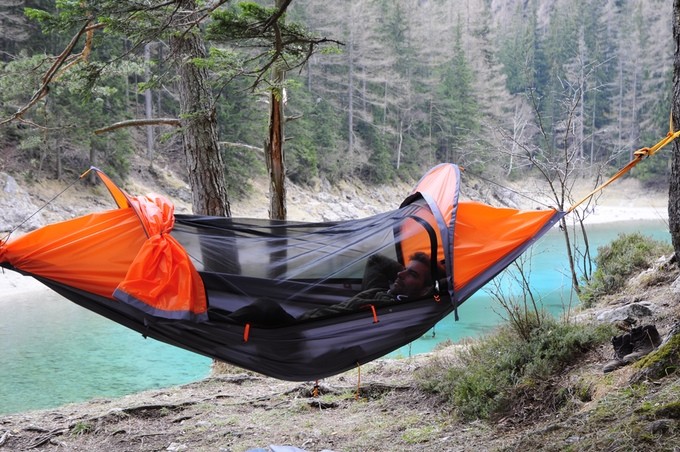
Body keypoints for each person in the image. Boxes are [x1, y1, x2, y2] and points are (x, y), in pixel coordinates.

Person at [223, 252, 444, 326]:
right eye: (403, 270)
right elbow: (376, 261)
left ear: (424, 290)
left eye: (412, 275)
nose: (400, 275)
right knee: (257, 308)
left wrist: (441, 277)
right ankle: (216, 321)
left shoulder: (395, 310)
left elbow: (442, 290)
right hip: (301, 322)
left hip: (301, 332)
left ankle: (217, 325)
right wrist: (408, 274)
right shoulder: (378, 291)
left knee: (266, 306)